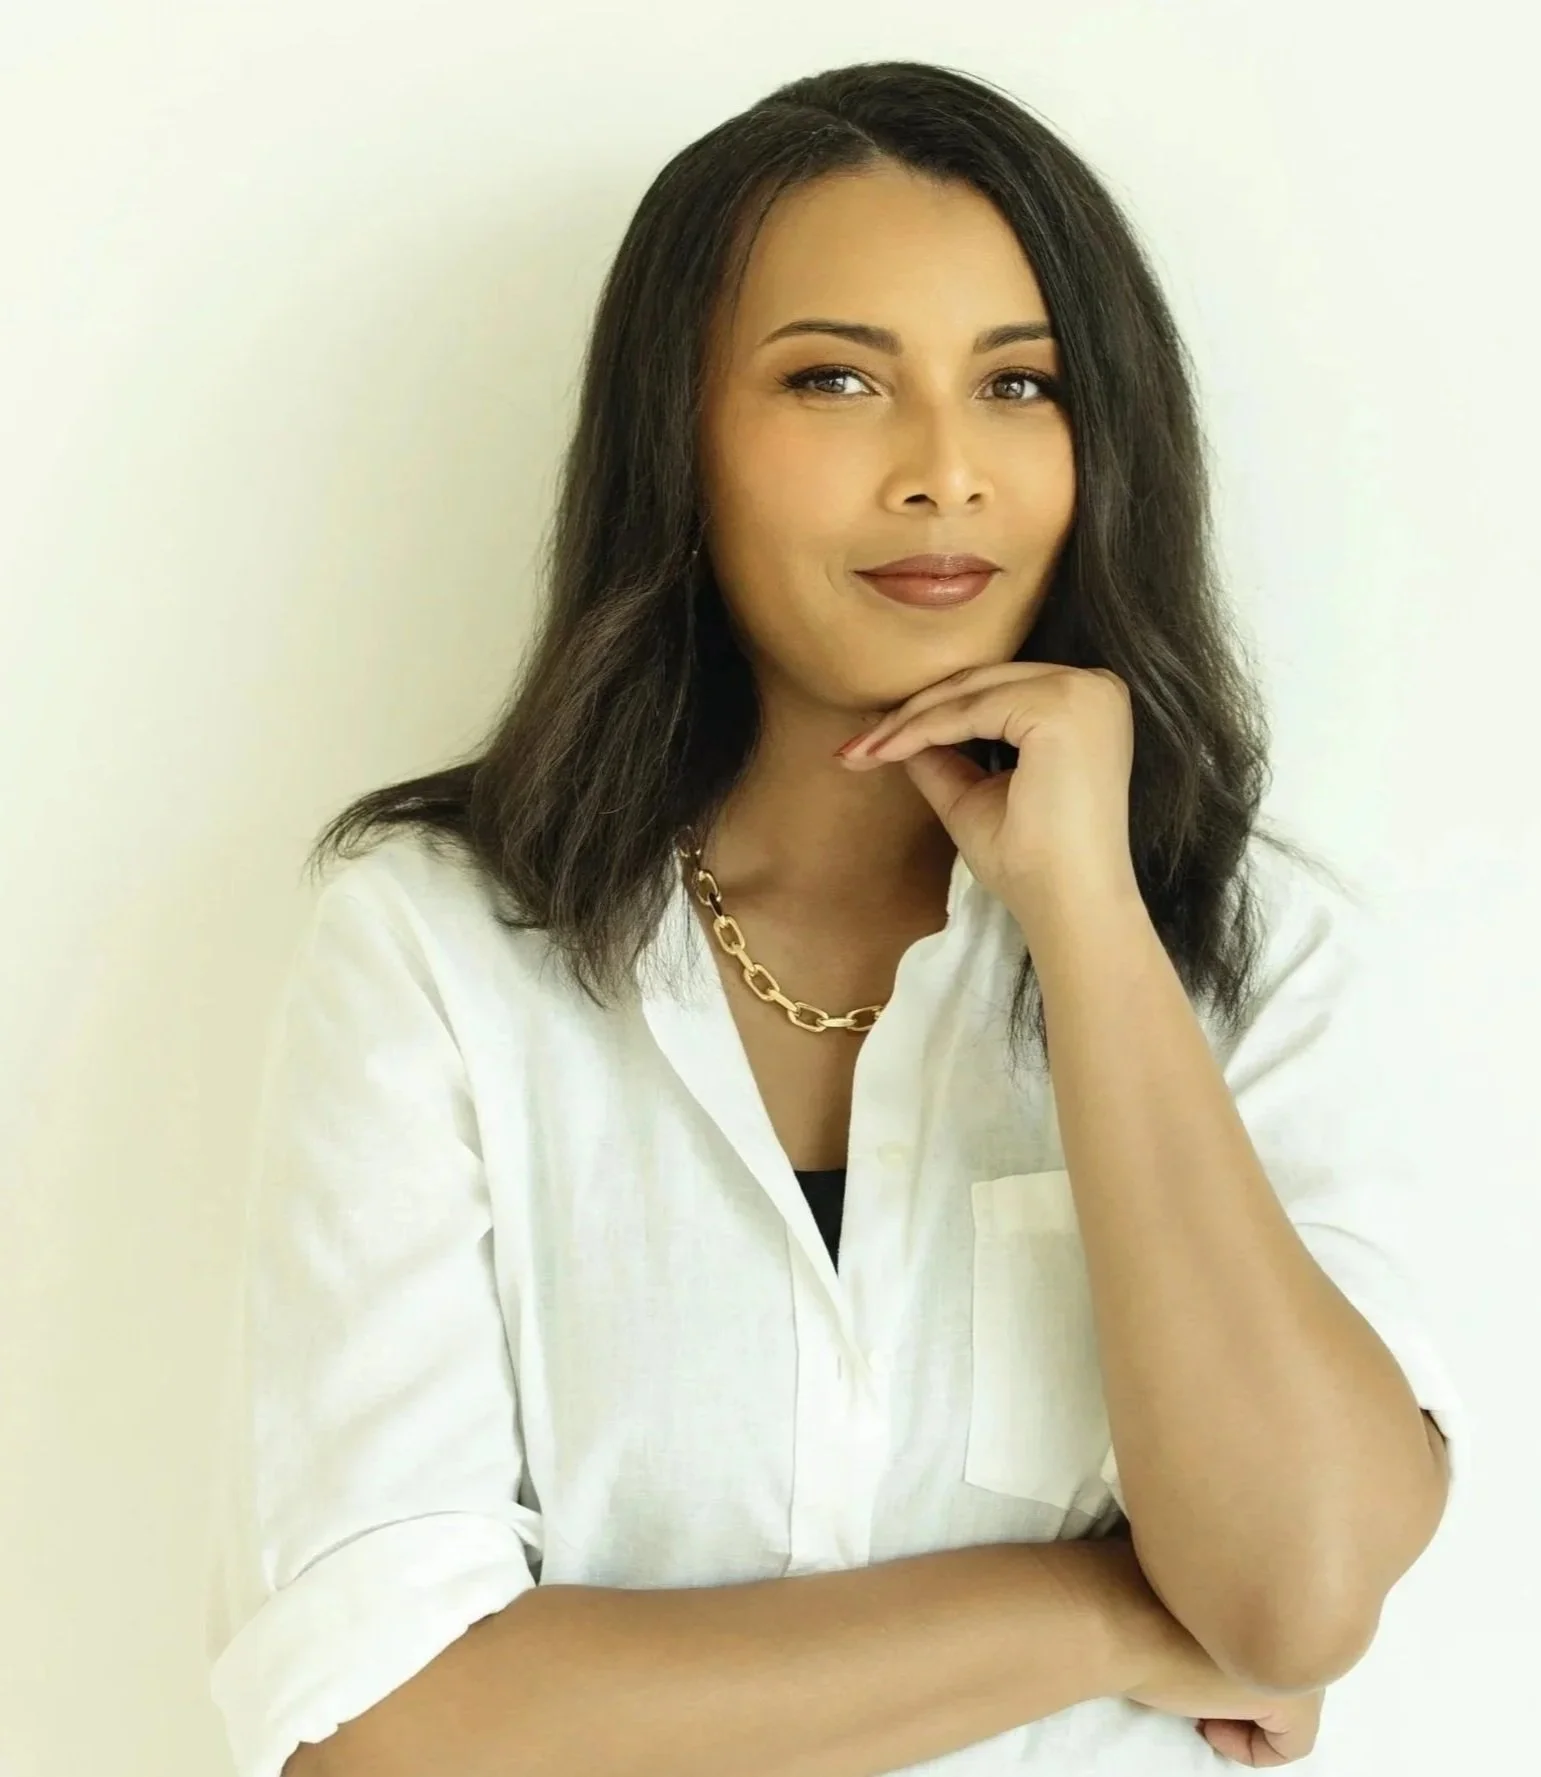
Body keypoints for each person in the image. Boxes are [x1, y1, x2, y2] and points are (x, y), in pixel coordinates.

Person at [203, 58, 1468, 1777]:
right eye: (835, 381)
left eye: (1019, 384)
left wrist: (1087, 921)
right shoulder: (433, 949)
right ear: (683, 440)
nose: (944, 472)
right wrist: (1109, 1614)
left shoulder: (1253, 959)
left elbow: (1298, 1591)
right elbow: (384, 1729)